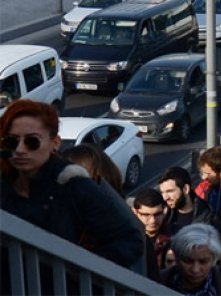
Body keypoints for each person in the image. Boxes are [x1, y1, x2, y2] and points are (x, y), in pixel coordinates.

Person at [0, 100, 144, 270]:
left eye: (32, 142)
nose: (20, 149)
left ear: (55, 143)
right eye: (12, 142)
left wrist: (80, 268)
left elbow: (130, 241)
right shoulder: (5, 185)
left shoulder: (75, 186)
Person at [161, 223, 221, 295]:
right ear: (177, 258)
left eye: (203, 262)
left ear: (214, 259)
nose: (195, 269)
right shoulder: (160, 280)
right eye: (188, 261)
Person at [159, 166, 218, 234]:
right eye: (162, 192)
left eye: (170, 191)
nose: (165, 197)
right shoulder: (165, 215)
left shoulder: (208, 220)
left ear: (185, 189)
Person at [132, 188, 172, 280]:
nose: (153, 220)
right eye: (146, 215)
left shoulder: (175, 236)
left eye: (158, 214)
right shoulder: (129, 240)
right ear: (135, 212)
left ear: (164, 210)